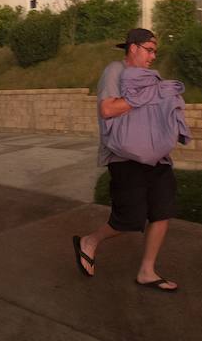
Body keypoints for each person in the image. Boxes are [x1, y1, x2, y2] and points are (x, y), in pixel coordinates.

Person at [72, 28, 180, 292]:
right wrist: (146, 95)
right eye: (150, 49)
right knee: (129, 217)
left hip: (156, 158)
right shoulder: (115, 71)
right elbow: (108, 109)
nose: (154, 56)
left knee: (162, 211)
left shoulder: (151, 78)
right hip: (124, 157)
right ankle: (89, 241)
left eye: (155, 51)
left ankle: (147, 271)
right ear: (133, 47)